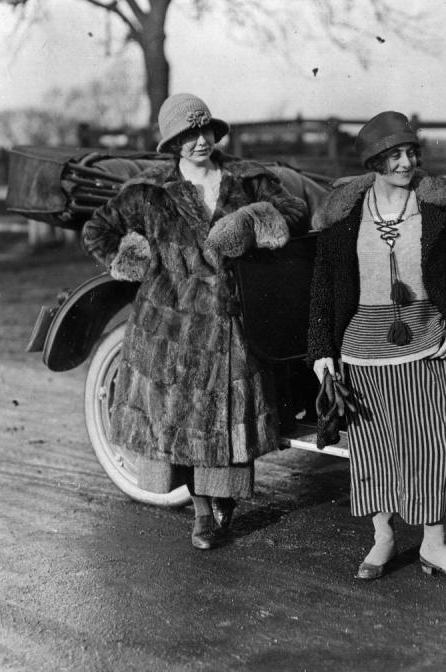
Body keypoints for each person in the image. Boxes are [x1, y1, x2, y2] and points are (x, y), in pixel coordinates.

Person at [82, 93, 309, 550]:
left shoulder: (249, 180)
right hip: (169, 327)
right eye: (188, 135)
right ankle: (203, 512)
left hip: (232, 320)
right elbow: (97, 230)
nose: (200, 141)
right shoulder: (149, 193)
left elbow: (296, 212)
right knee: (178, 423)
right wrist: (133, 260)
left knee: (225, 422)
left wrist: (254, 220)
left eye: (205, 131)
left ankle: (222, 504)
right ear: (172, 143)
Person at [308, 111, 446, 582]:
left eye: (411, 153)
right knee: (374, 448)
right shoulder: (345, 216)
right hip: (361, 355)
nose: (405, 162)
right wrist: (321, 350)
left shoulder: (437, 211)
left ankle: (434, 545)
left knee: (431, 445)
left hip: (429, 348)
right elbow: (324, 287)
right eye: (394, 154)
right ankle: (384, 537)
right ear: (375, 160)